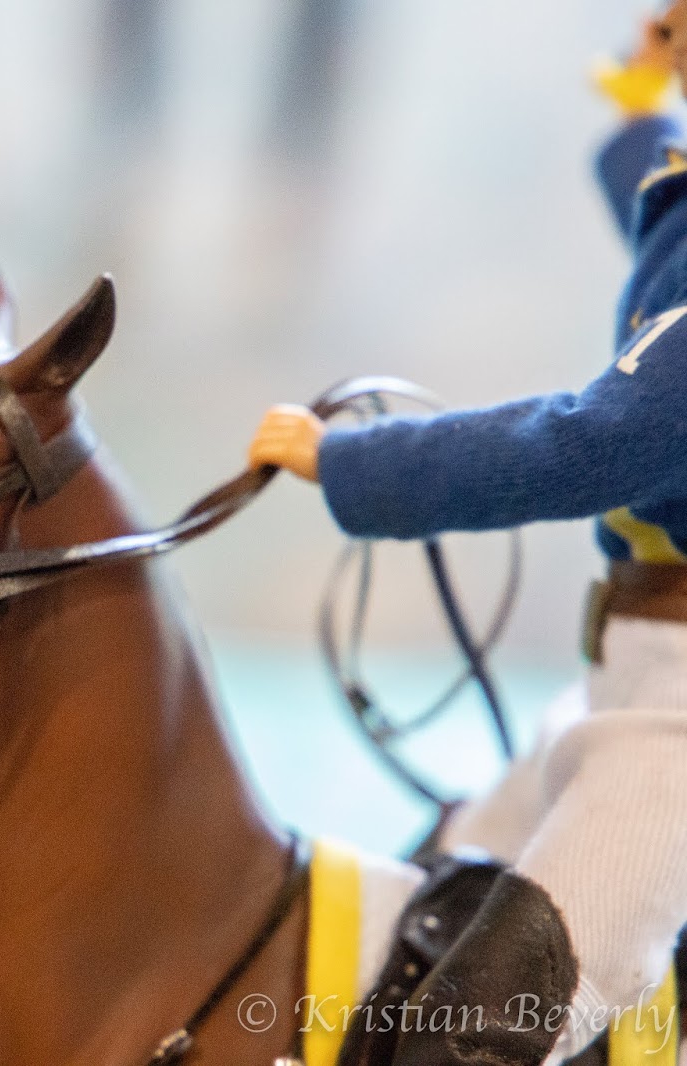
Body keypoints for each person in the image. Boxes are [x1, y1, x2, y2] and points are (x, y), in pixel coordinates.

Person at [249, 9, 687, 1063]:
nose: (656, 27)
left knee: (487, 1017)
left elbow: (583, 446)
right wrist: (643, 117)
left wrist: (353, 462)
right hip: (627, 679)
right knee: (432, 891)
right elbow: (663, 230)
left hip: (672, 725)